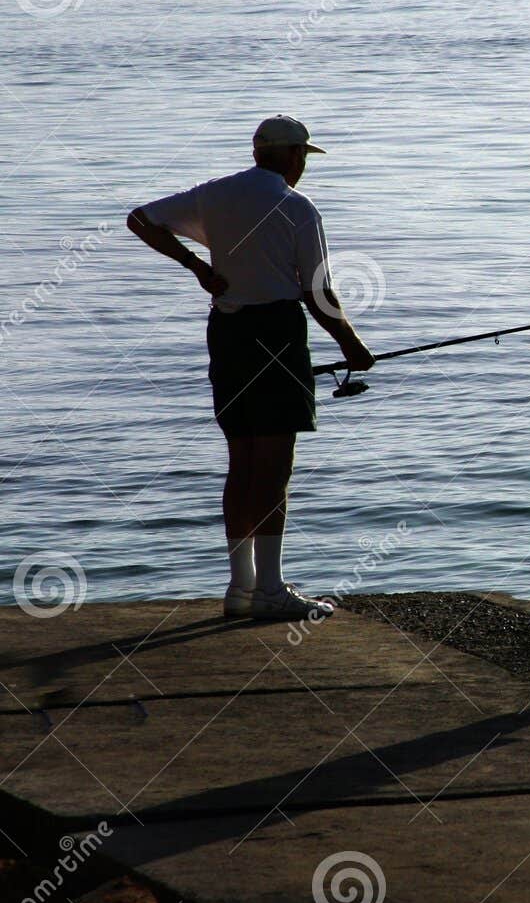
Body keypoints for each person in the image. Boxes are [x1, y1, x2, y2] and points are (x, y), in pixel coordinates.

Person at [127, 115, 375, 621]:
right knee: (274, 465)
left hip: (227, 332)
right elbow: (318, 293)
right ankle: (271, 590)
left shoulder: (215, 194)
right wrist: (352, 345)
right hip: (278, 334)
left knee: (241, 460)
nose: (304, 164)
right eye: (303, 155)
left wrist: (199, 268)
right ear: (289, 156)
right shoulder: (297, 207)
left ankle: (241, 589)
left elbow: (140, 219)